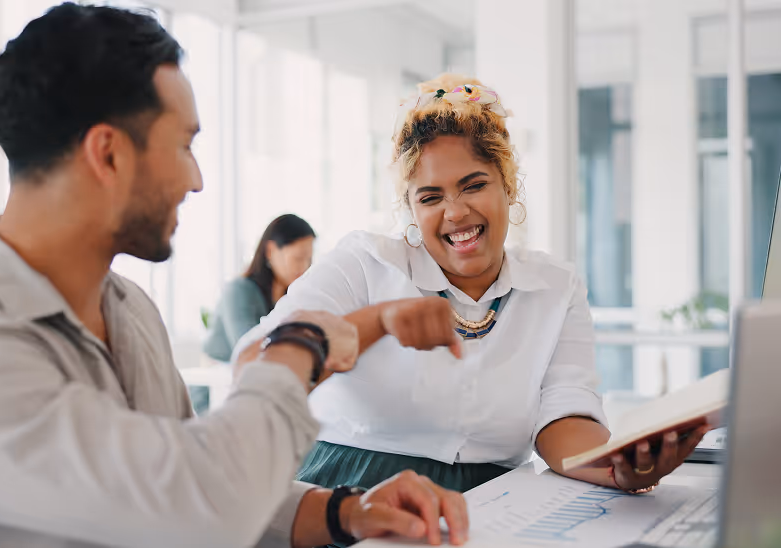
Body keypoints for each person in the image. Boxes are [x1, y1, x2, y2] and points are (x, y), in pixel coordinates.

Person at [0, 7, 470, 548]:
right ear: (107, 154)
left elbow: (186, 474)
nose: (197, 179)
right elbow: (203, 504)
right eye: (184, 145)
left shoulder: (128, 308)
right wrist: (301, 343)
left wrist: (347, 511)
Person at [234, 74, 710, 497]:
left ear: (508, 184)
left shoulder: (555, 286)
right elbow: (256, 360)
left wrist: (617, 469)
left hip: (491, 502)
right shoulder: (364, 262)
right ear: (412, 209)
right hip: (348, 493)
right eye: (431, 196)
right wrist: (376, 322)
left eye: (473, 185)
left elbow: (564, 416)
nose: (455, 212)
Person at [204, 214, 316, 362]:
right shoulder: (238, 290)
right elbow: (249, 349)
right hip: (216, 380)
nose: (304, 267)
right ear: (270, 251)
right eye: (298, 258)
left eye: (309, 260)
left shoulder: (290, 297)